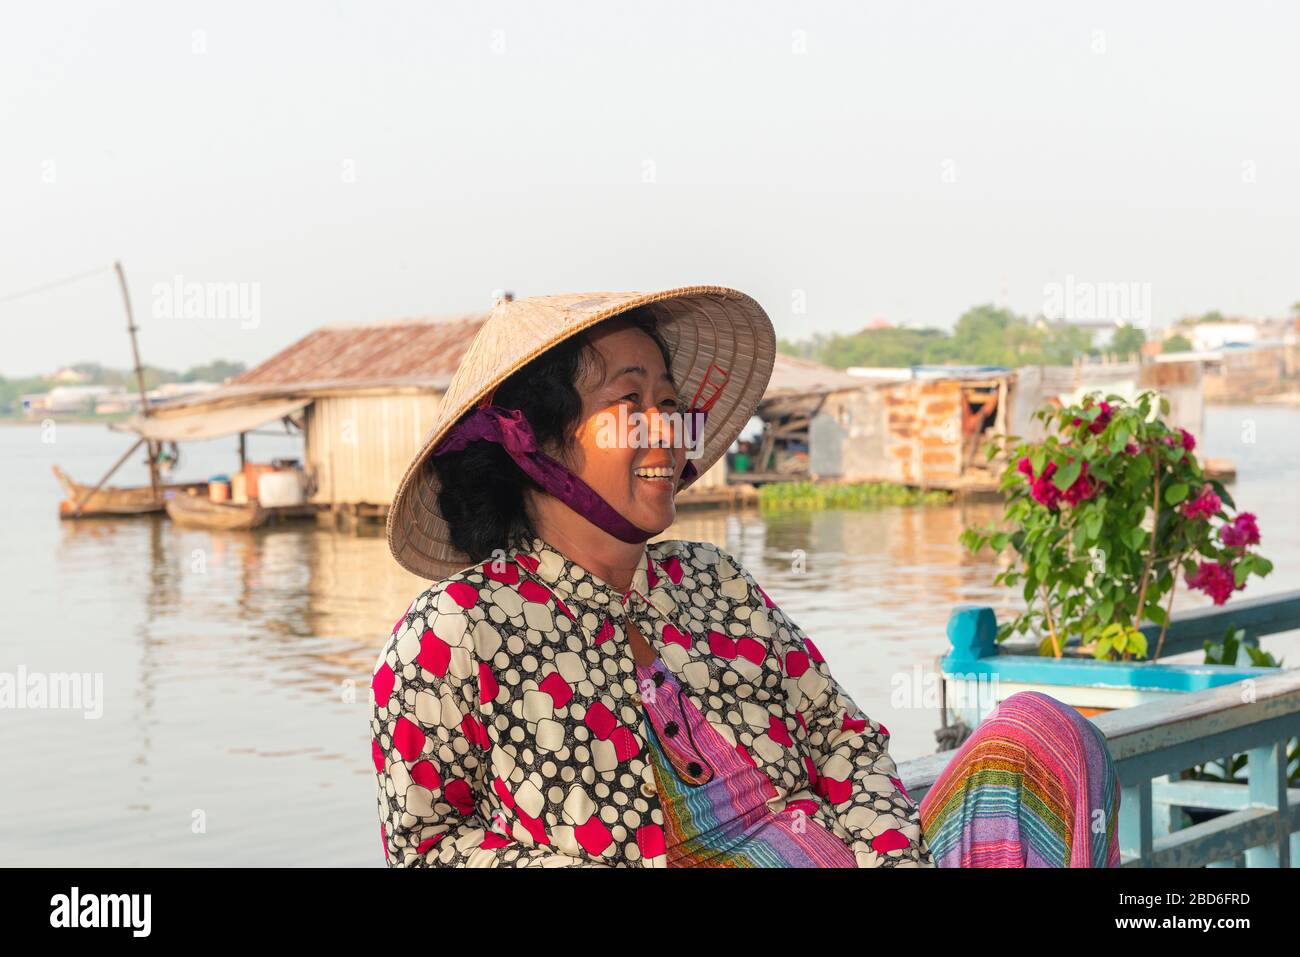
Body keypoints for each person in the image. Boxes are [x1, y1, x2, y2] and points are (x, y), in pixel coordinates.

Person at [372, 286, 1120, 867]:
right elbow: (428, 847)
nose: (667, 428)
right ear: (531, 440)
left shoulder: (712, 580)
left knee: (1041, 731)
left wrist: (888, 856)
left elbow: (841, 740)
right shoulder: (454, 629)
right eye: (630, 403)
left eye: (669, 402)